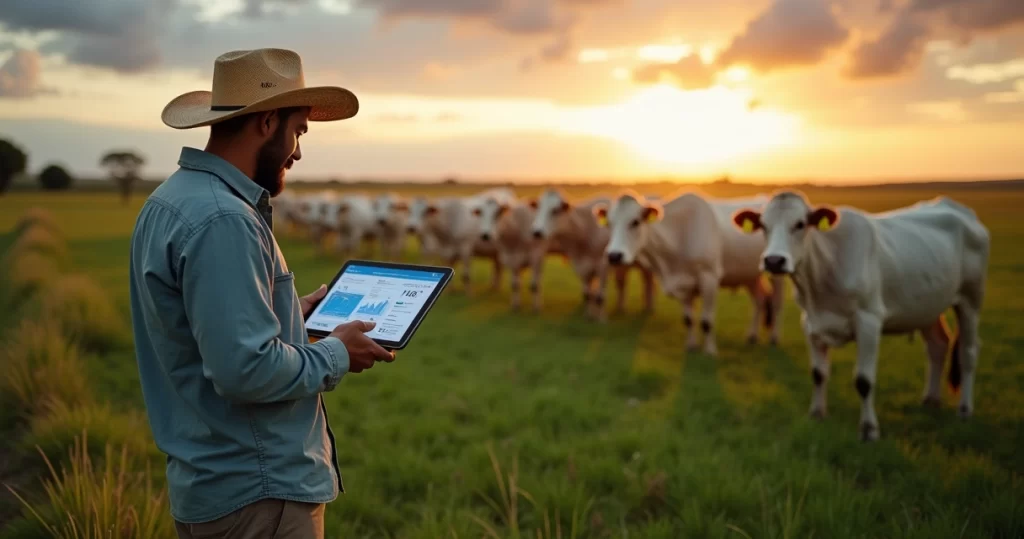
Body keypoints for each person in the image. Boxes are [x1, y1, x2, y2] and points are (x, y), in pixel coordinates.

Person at [128, 48, 395, 539]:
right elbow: (244, 371)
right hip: (259, 494)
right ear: (268, 122)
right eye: (298, 132)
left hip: (210, 481)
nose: (298, 152)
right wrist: (338, 352)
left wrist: (286, 312)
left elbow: (202, 328)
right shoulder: (224, 219)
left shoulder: (170, 200)